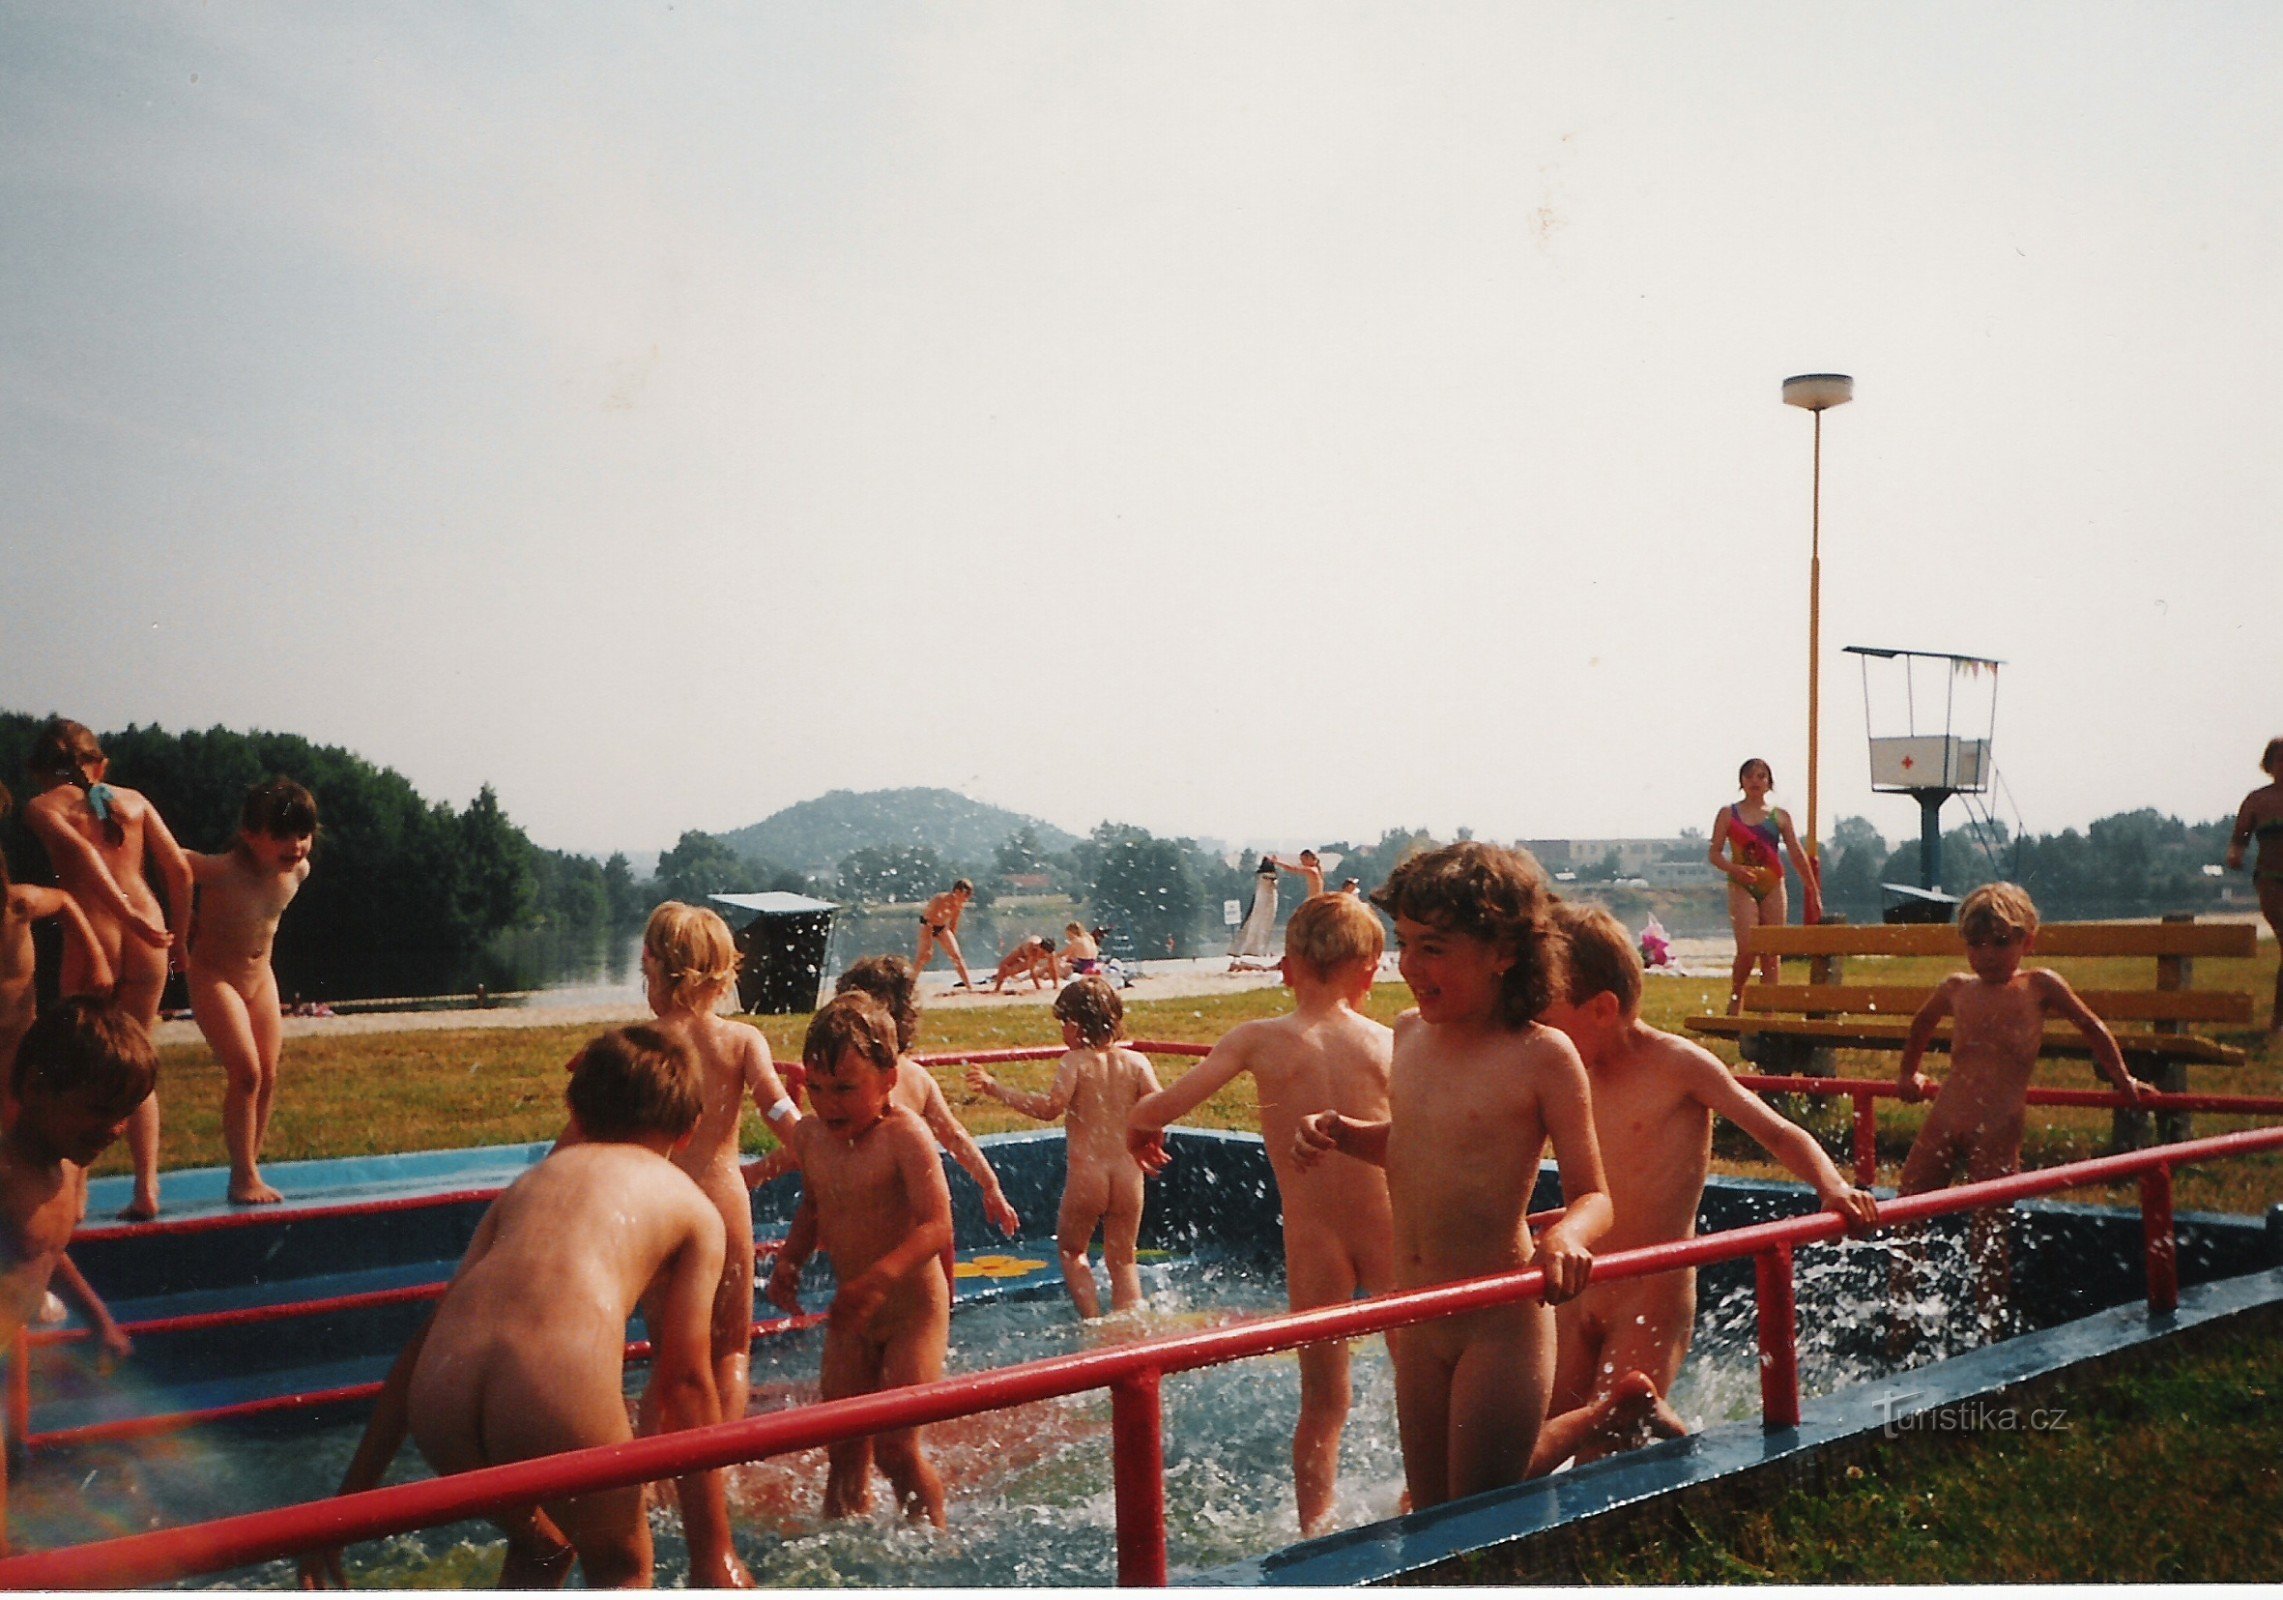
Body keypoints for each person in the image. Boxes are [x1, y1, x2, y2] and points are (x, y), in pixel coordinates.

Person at [299, 1026, 750, 1589]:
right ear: (688, 1132)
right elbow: (684, 1382)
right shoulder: (691, 1205)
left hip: (443, 1401)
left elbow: (423, 1343)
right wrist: (715, 1551)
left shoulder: (527, 1186)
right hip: (552, 1393)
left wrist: (345, 1509)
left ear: (575, 1112)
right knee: (622, 1566)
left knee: (542, 1549)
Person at [1291, 842, 1611, 1511]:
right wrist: (1346, 1134)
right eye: (1405, 944)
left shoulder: (1539, 1056)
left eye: (1433, 947)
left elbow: (1592, 1193)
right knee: (1429, 1512)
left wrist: (1567, 1237)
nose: (1410, 966)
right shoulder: (1407, 1035)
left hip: (1496, 1323)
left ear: (1502, 952)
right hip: (1418, 1314)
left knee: (1475, 1514)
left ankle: (1602, 1415)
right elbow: (1416, 1148)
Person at [1530, 902, 1878, 1473]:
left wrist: (1834, 1185)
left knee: (1601, 1457)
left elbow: (1777, 1130)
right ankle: (1653, 1431)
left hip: (1652, 1291)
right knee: (1539, 1442)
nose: (1537, 1032)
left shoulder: (1676, 1065)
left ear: (1600, 1009)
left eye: (1545, 1015)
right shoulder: (1564, 1076)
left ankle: (1672, 1467)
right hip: (1582, 1284)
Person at [1127, 892, 1394, 1536]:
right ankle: (1425, 1502)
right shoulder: (1390, 1043)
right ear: (1370, 974)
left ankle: (1314, 1528)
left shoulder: (1258, 1041)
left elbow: (1157, 1107)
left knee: (1324, 1402)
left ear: (1285, 969)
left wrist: (1141, 1129)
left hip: (1313, 1240)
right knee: (1418, 1378)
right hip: (1392, 1230)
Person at [1895, 882, 2152, 1321]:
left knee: (1990, 1236)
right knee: (1906, 1217)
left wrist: (2122, 1079)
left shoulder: (2040, 986)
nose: (1987, 955)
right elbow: (1921, 1025)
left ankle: (1989, 1325)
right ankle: (1901, 1316)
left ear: (2026, 941)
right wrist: (1908, 1073)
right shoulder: (1957, 988)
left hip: (1997, 1129)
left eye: (2000, 943)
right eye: (1975, 944)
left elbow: (2091, 1027)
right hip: (1944, 1119)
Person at [764, 993, 954, 1526]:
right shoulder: (811, 1135)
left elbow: (937, 1224)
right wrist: (791, 1260)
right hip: (853, 1317)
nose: (829, 1104)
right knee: (842, 1444)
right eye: (816, 1089)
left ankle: (933, 1543)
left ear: (889, 1079)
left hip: (912, 1313)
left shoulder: (904, 1136)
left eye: (846, 1089)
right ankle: (841, 1546)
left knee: (895, 1447)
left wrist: (878, 1279)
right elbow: (814, 1204)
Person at [635, 903, 800, 1453]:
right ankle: (725, 1467)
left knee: (670, 1355)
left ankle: (648, 1481)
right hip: (723, 1199)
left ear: (654, 964)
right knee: (731, 1350)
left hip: (661, 1208)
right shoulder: (741, 1039)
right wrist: (814, 1144)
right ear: (725, 971)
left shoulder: (640, 1041)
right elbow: (776, 1109)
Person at [1, 998, 156, 1553]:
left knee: (15, 1466)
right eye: (98, 1109)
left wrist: (97, 1318)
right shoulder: (5, 1174)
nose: (115, 1129)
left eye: (127, 1112)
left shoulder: (62, 1170)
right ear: (39, 1089)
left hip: (6, 1352)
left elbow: (46, 1251)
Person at [20, 719, 190, 1221]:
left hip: (94, 936)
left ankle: (74, 1198)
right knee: (138, 1064)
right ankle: (146, 1188)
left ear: (39, 771)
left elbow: (80, 854)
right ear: (102, 764)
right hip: (148, 938)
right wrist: (178, 937)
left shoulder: (42, 807)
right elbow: (178, 870)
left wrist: (121, 912)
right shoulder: (133, 800)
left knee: (77, 1069)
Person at [968, 976, 1164, 1318]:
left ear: (1075, 1025)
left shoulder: (1075, 1062)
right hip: (1128, 1173)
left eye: (1063, 1024)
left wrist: (995, 1089)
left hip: (1089, 1175)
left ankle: (1092, 1322)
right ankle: (1131, 1326)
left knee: (1072, 1252)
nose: (1062, 1033)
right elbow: (1157, 1105)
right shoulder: (1136, 1062)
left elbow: (1048, 1109)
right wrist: (1151, 1141)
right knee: (1124, 1257)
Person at [183, 778, 316, 1205]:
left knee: (269, 1076)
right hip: (213, 975)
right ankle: (243, 1176)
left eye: (303, 834)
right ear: (248, 835)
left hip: (261, 978)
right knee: (247, 1073)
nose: (295, 845)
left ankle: (249, 1169)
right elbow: (173, 860)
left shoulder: (297, 872)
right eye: (281, 836)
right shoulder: (221, 871)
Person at [832, 955, 1022, 1245]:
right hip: (912, 1214)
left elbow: (954, 1135)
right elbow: (954, 1136)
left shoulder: (868, 1080)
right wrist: (990, 1184)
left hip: (893, 1213)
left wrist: (991, 1184)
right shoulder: (915, 1076)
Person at [2, 781, 116, 1107]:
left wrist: (97, 958)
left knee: (22, 1121)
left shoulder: (17, 904)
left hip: (16, 1041)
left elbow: (64, 902)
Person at [1709, 758, 1823, 1014]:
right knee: (1748, 947)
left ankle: (1767, 1012)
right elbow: (1714, 854)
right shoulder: (1729, 814)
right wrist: (1734, 869)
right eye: (1749, 777)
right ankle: (1737, 996)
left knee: (1772, 951)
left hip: (1772, 884)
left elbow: (1796, 853)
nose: (1755, 782)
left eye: (1761, 776)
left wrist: (1812, 890)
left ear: (1769, 783)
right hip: (1741, 884)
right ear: (1741, 781)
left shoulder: (1780, 816)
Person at [2226, 737, 2283, 1033]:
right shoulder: (2257, 800)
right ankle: (2277, 1023)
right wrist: (2235, 855)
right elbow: (2239, 838)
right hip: (2272, 879)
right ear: (2269, 764)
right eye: (2280, 760)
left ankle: (2278, 1021)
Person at [915, 879, 977, 991]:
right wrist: (929, 943)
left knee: (956, 956)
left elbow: (954, 921)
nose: (967, 898)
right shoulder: (940, 899)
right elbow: (928, 919)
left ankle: (969, 987)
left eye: (969, 895)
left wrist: (952, 938)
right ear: (957, 891)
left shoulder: (959, 904)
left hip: (942, 927)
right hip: (927, 925)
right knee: (924, 956)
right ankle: (910, 982)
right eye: (966, 894)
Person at [1228, 855, 1281, 971]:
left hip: (1261, 903)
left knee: (1253, 926)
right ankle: (1246, 953)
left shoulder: (1262, 877)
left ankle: (1242, 954)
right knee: (1254, 926)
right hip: (1261, 903)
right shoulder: (1268, 878)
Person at [987, 934, 1059, 994]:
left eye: (1046, 953)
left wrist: (1056, 985)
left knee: (1013, 970)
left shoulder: (1051, 953)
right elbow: (1032, 970)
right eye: (1043, 952)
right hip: (1022, 951)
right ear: (1040, 947)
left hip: (1033, 951)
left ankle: (1007, 976)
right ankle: (997, 988)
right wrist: (1038, 987)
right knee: (1003, 965)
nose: (1045, 954)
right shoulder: (1032, 948)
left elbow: (1053, 969)